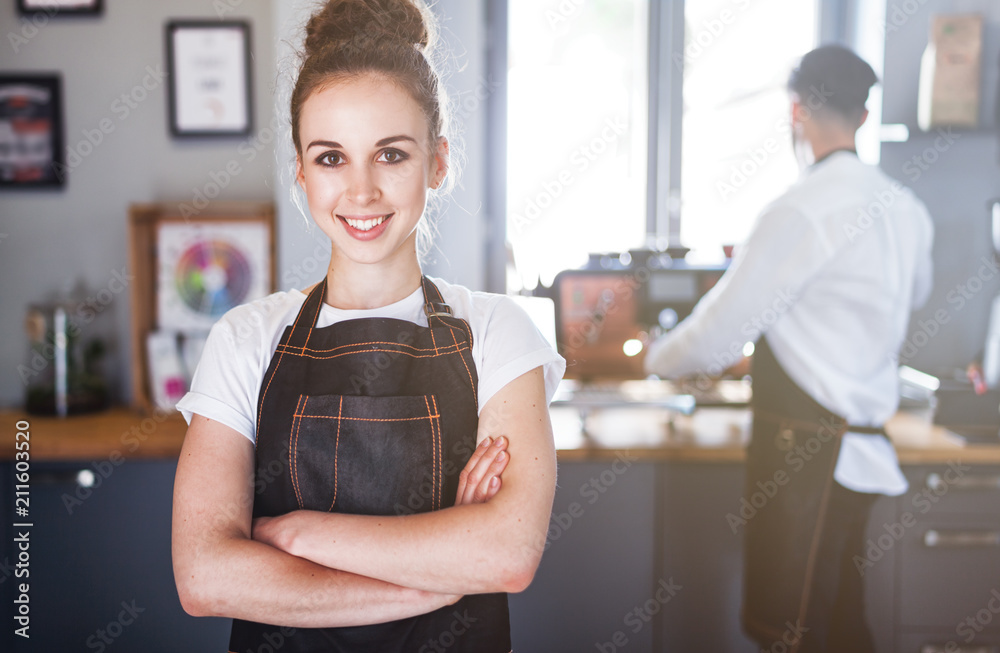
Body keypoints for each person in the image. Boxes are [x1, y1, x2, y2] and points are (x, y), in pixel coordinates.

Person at [170, 1, 566, 650]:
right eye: (331, 158)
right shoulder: (246, 339)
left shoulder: (498, 332)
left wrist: (298, 535)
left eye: (390, 154)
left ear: (438, 162)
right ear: (299, 171)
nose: (361, 191)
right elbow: (204, 575)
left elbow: (507, 554)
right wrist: (440, 574)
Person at [644, 45, 934, 653]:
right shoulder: (906, 211)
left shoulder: (798, 211)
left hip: (808, 452)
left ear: (796, 112)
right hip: (864, 447)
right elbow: (907, 299)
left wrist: (653, 361)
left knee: (792, 632)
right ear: (862, 116)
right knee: (843, 625)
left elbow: (718, 334)